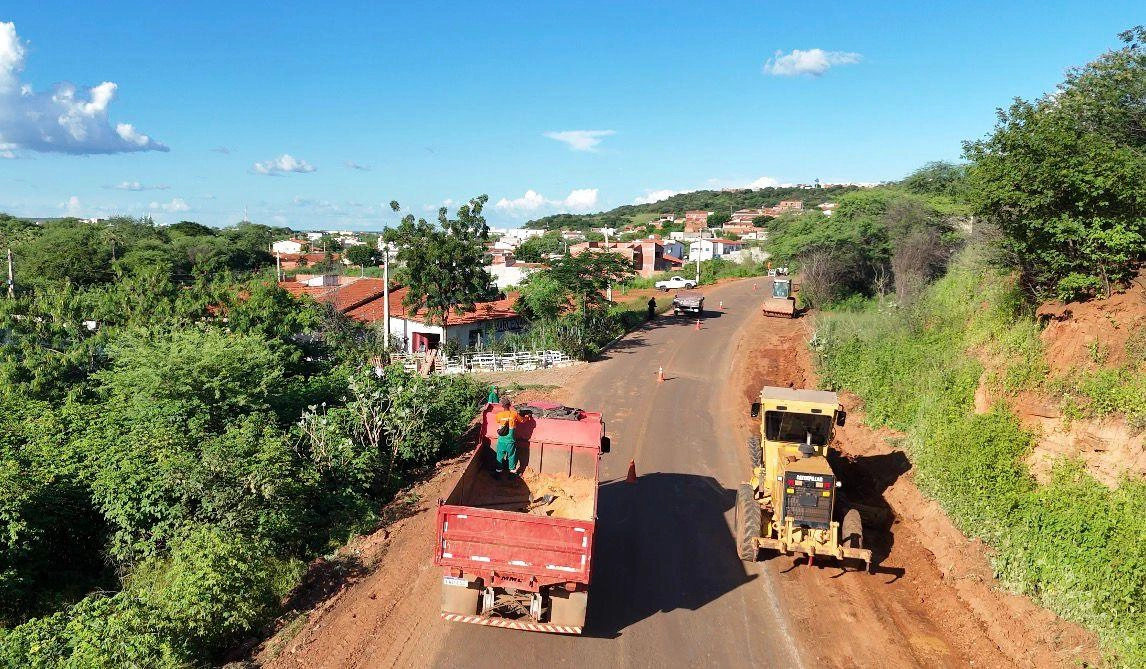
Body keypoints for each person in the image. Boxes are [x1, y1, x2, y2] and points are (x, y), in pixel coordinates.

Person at [493, 398, 528, 478]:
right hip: (511, 441)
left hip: (501, 440)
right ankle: (512, 473)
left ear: (502, 406)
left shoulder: (499, 415)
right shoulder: (514, 414)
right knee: (512, 456)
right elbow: (522, 421)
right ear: (510, 405)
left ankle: (498, 473)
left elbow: (498, 421)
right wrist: (528, 417)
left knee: (499, 456)